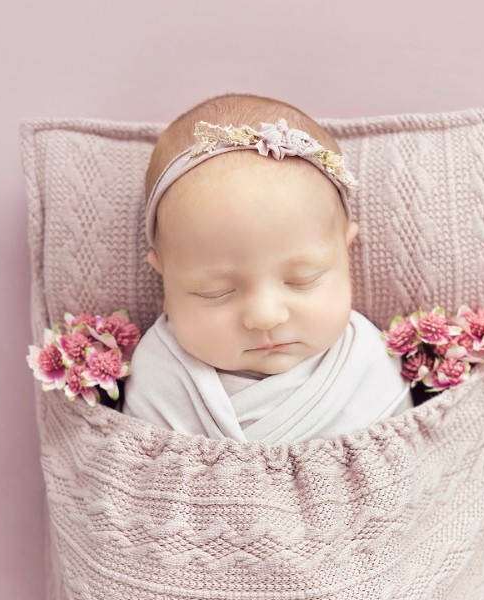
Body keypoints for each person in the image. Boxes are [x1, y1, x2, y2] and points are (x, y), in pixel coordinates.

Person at [121, 93, 412, 444]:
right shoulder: (159, 372)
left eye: (302, 279)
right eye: (215, 291)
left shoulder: (366, 362)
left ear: (345, 255)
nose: (265, 316)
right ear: (164, 278)